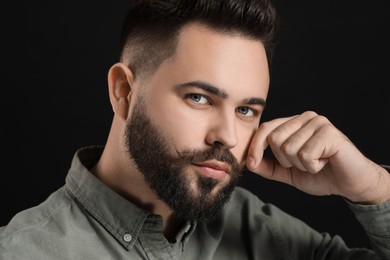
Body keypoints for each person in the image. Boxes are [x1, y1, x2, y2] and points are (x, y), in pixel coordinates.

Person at [1, 0, 389, 259]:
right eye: (200, 98)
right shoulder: (24, 252)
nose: (230, 137)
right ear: (124, 92)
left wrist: (373, 190)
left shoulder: (258, 230)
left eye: (246, 109)